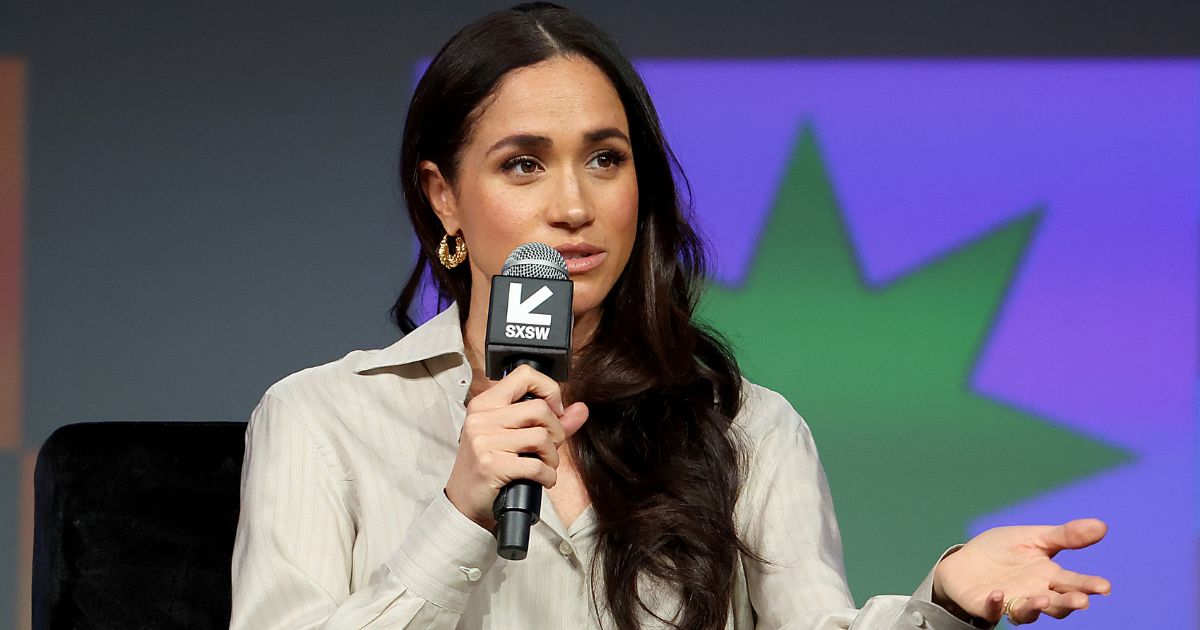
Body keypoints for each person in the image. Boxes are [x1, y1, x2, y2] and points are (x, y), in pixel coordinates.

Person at [230, 3, 1111, 629]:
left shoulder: (747, 430)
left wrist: (943, 605)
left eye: (605, 159)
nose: (573, 205)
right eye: (523, 164)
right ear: (444, 198)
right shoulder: (321, 421)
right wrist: (459, 513)